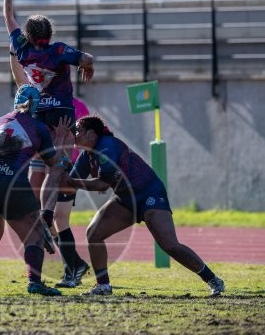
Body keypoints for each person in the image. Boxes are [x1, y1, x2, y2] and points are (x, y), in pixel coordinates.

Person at [62, 115, 225, 297]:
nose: (74, 134)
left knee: (169, 245)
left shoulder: (107, 144)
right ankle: (103, 286)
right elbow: (69, 182)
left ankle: (212, 279)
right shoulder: (86, 155)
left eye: (77, 131)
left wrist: (70, 182)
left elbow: (100, 185)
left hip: (149, 193)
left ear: (92, 134)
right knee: (94, 233)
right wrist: (55, 168)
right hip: (126, 199)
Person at [3, 0, 95, 283]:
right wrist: (89, 64)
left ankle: (71, 265)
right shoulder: (61, 68)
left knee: (60, 214)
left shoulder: (26, 55)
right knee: (42, 193)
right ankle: (69, 264)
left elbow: (9, 19)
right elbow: (85, 58)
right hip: (56, 135)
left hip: (69, 162)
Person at [0, 85, 72, 296]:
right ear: (37, 105)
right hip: (10, 183)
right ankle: (34, 282)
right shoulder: (38, 127)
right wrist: (62, 137)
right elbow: (53, 161)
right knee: (35, 236)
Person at [13, 54, 91, 288]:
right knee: (49, 218)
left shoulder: (76, 106)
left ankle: (73, 268)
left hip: (66, 167)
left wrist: (63, 144)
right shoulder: (40, 99)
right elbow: (20, 79)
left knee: (59, 218)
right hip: (44, 163)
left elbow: (82, 140)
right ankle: (74, 265)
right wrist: (12, 53)